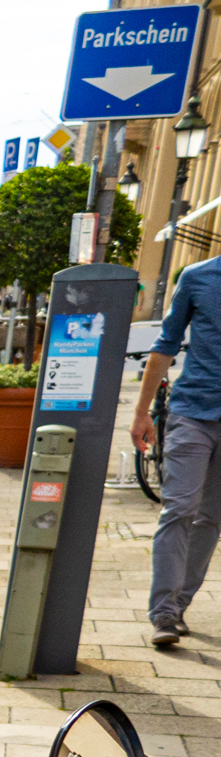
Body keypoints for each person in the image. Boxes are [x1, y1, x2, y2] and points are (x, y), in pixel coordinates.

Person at [139, 259, 221, 646]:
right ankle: (164, 614)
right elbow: (166, 344)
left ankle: (180, 604)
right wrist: (140, 414)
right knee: (179, 508)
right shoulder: (198, 276)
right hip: (193, 413)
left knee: (210, 518)